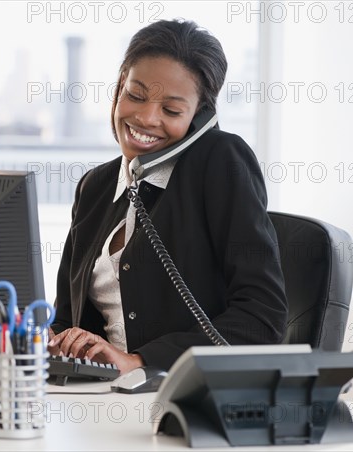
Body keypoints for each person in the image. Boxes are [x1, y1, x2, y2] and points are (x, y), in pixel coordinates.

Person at [48, 19, 288, 374]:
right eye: (136, 95)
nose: (146, 117)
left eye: (171, 110)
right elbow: (68, 318)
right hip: (99, 395)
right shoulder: (95, 186)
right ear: (118, 88)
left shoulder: (221, 163)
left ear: (200, 117)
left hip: (185, 396)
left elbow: (262, 316)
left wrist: (139, 362)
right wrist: (48, 340)